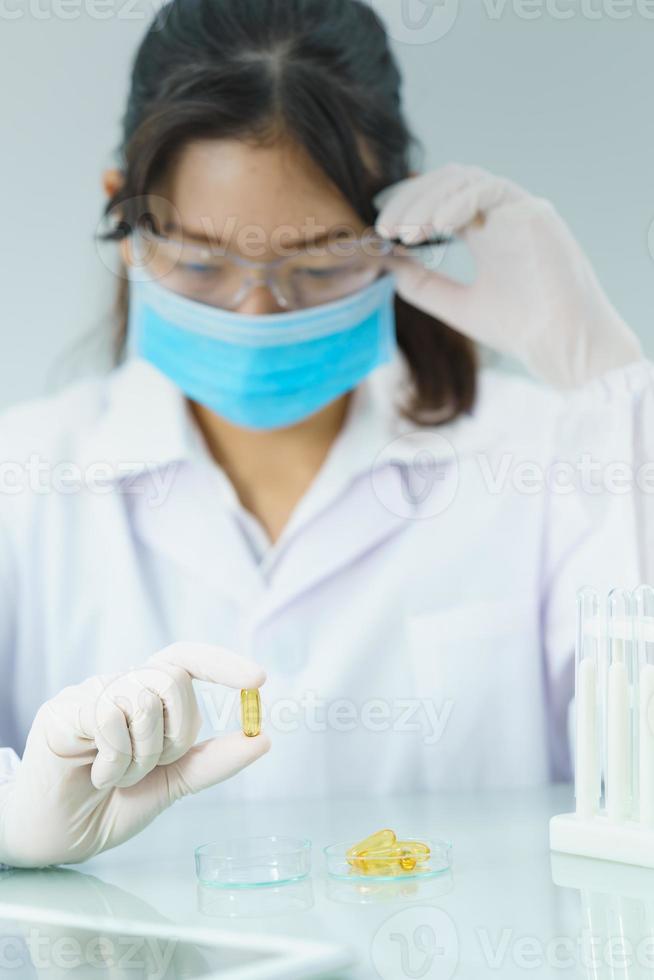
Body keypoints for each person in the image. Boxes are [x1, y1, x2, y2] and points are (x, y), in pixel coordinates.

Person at [0, 0, 651, 870]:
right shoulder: (26, 478)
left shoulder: (546, 461)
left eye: (318, 263)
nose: (259, 308)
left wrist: (609, 381)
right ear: (126, 218)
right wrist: (11, 829)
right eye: (200, 262)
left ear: (396, 227)